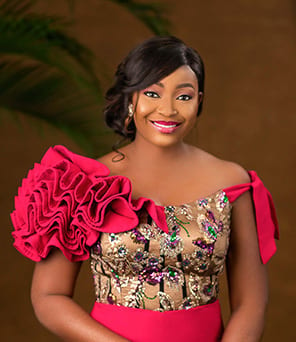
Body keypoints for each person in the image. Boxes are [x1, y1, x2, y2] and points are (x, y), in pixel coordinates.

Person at [11, 36, 279, 342]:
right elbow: (49, 296)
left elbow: (251, 303)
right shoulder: (81, 182)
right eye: (152, 93)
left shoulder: (233, 182)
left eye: (184, 96)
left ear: (199, 101)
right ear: (131, 99)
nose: (168, 110)